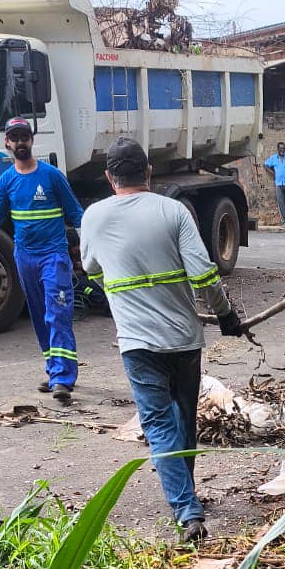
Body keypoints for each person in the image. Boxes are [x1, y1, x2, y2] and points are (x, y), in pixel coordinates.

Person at [79, 137, 246, 544]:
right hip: (184, 340)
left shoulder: (94, 216)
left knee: (158, 423)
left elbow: (91, 268)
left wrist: (119, 296)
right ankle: (186, 497)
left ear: (108, 177)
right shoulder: (173, 211)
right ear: (149, 172)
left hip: (137, 342)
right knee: (183, 418)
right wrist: (225, 314)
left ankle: (187, 509)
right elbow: (204, 274)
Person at [0, 118, 82, 403]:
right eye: (14, 138)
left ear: (32, 140)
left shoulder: (51, 176)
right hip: (25, 257)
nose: (20, 142)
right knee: (38, 315)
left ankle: (62, 378)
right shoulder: (6, 181)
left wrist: (91, 244)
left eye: (25, 136)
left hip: (54, 255)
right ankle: (55, 368)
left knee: (57, 312)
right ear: (7, 143)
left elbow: (75, 212)